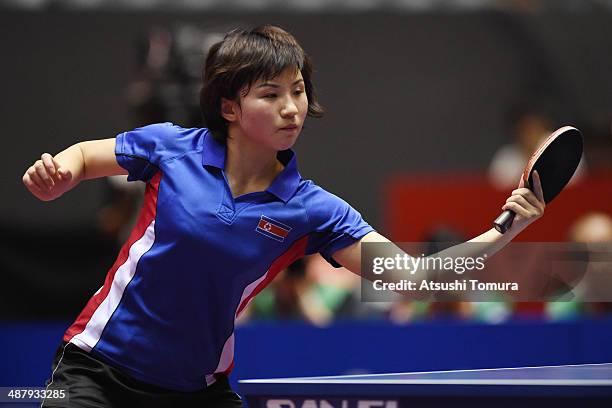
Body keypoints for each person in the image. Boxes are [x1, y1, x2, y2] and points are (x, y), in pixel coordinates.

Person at [22, 25, 546, 408]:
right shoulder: (172, 148)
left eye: (297, 91)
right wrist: (60, 173)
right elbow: (91, 155)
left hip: (195, 392)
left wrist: (503, 233)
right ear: (229, 106)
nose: (292, 108)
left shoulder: (311, 209)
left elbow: (408, 275)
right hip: (96, 370)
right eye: (270, 94)